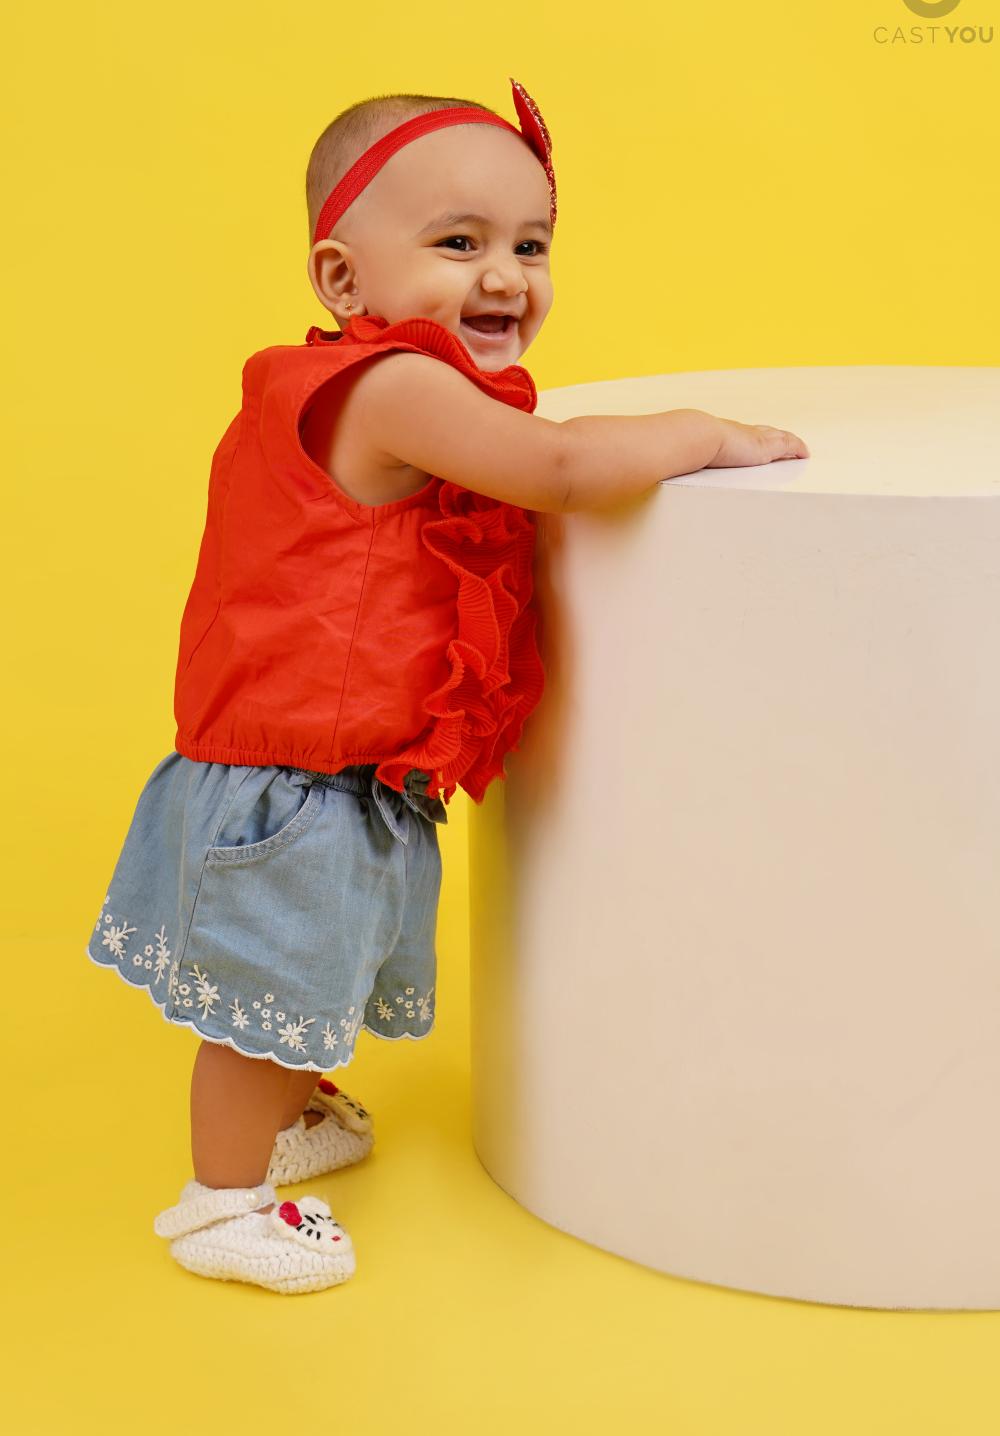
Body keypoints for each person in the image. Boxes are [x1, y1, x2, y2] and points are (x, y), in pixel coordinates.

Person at [86, 77, 810, 1296]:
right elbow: (558, 470)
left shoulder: (363, 383)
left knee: (311, 970)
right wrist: (704, 433)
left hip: (331, 761)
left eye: (531, 245)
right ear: (341, 279)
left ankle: (288, 1118)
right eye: (458, 243)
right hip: (299, 777)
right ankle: (220, 1205)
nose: (505, 277)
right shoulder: (393, 388)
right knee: (263, 1002)